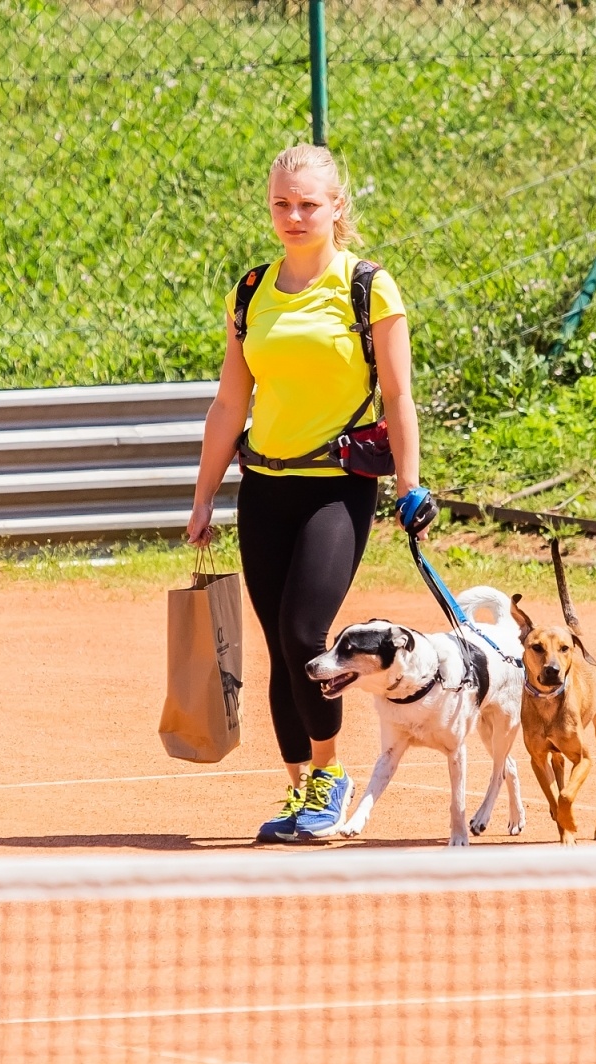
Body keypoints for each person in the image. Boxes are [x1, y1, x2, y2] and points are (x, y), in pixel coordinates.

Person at [185, 144, 435, 843]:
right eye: (282, 204)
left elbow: (400, 395)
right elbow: (230, 404)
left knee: (305, 636)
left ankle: (332, 777)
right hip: (263, 487)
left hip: (337, 488)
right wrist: (204, 495)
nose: (294, 216)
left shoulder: (368, 286)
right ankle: (302, 791)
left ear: (336, 208)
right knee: (277, 645)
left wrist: (410, 486)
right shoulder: (251, 289)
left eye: (309, 204)